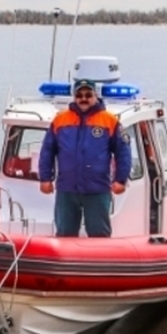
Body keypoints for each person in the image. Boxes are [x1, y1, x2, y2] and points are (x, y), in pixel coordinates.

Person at [38, 78, 133, 237]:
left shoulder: (110, 121)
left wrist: (120, 180)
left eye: (88, 94)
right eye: (79, 95)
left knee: (99, 233)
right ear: (74, 97)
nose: (84, 98)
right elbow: (47, 150)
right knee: (64, 232)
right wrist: (45, 178)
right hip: (67, 188)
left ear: (95, 96)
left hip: (98, 189)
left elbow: (123, 152)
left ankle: (101, 261)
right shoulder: (60, 120)